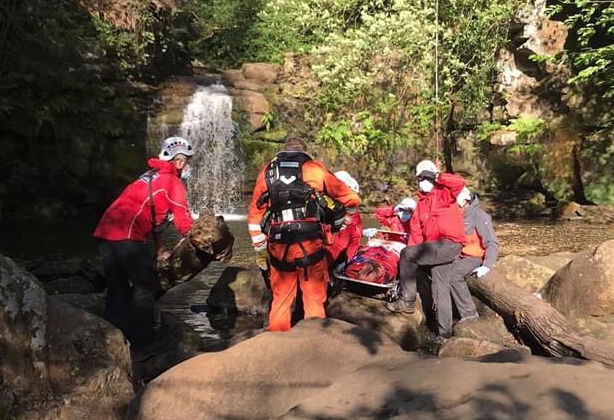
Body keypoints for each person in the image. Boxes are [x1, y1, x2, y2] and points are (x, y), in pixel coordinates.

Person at [93, 136, 195, 354]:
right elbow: (183, 219)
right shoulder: (172, 182)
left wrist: (160, 249)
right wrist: (196, 235)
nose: (189, 167)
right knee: (145, 288)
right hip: (127, 237)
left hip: (106, 234)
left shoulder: (148, 176)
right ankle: (142, 345)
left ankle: (114, 342)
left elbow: (155, 220)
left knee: (117, 290)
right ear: (179, 162)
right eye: (188, 162)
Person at [248, 137, 360, 331]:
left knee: (281, 298)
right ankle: (312, 345)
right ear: (304, 152)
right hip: (309, 241)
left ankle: (276, 343)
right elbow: (351, 198)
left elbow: (255, 214)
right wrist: (344, 220)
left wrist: (260, 250)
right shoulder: (314, 169)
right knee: (314, 297)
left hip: (278, 242)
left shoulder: (266, 172)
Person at [386, 159, 466, 322]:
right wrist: (404, 264)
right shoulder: (420, 205)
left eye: (426, 178)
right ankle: (444, 333)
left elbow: (460, 182)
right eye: (420, 179)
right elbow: (416, 237)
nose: (423, 182)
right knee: (439, 286)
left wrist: (437, 176)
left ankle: (407, 301)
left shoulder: (445, 194)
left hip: (450, 244)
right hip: (434, 250)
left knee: (408, 254)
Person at [431, 187, 499, 338]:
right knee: (439, 274)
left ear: (465, 200)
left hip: (475, 257)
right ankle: (443, 321)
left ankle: (470, 315)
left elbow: (492, 242)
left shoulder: (479, 215)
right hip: (458, 255)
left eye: (455, 199)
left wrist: (487, 265)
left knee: (454, 276)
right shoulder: (455, 213)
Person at [326, 170, 362, 266]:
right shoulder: (325, 204)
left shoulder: (352, 214)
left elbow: (355, 240)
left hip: (336, 257)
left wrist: (347, 262)